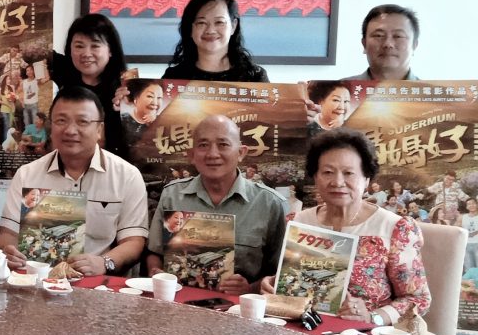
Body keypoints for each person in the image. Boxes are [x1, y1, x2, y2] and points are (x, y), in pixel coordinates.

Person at [262, 128, 429, 324]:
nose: (338, 182)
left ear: (366, 179)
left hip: (361, 334)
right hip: (300, 328)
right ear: (315, 177)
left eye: (349, 173)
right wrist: (271, 283)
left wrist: (373, 317)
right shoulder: (298, 222)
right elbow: (293, 280)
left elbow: (417, 299)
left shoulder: (394, 228)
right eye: (327, 172)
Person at [0, 87, 148, 275]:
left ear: (99, 129)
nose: (70, 130)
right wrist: (8, 251)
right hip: (37, 280)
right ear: (51, 127)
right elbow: (7, 234)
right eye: (61, 121)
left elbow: (134, 241)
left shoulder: (127, 176)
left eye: (82, 121)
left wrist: (104, 262)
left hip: (95, 282)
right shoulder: (27, 174)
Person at [144, 115, 288, 294]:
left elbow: (280, 274)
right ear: (191, 155)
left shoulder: (270, 203)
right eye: (203, 145)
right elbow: (155, 252)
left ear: (241, 152)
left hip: (238, 307)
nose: (213, 154)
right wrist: (155, 272)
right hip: (177, 300)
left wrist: (250, 288)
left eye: (223, 144)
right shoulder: (172, 195)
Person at [51, 14, 133, 158]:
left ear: (111, 50)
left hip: (109, 167)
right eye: (79, 46)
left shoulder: (125, 88)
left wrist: (127, 111)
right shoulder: (65, 71)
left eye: (95, 46)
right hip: (65, 164)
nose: (86, 54)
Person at [163, 0, 269, 82]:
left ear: (233, 26)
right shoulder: (173, 77)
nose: (210, 30)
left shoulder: (254, 77)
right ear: (191, 28)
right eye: (201, 23)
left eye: (219, 22)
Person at [344, 4, 420, 81]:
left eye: (398, 36)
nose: (388, 44)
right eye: (379, 35)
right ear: (364, 44)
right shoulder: (341, 88)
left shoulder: (426, 89)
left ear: (414, 45)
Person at [120, 80, 164, 144]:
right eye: (150, 96)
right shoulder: (123, 120)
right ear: (136, 98)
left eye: (159, 98)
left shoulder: (163, 120)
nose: (155, 103)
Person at [462, 199, 478, 270]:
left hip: (477, 243)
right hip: (466, 244)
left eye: (473, 203)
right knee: (468, 268)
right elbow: (456, 229)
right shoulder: (462, 217)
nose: (471, 205)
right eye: (469, 204)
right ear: (466, 207)